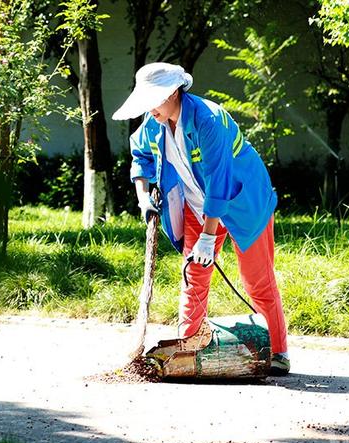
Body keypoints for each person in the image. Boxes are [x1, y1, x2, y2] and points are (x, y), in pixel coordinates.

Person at [112, 62, 290, 375]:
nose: (149, 108)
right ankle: (188, 345)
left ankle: (278, 352)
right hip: (195, 203)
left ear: (172, 93)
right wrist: (142, 196)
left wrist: (209, 238)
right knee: (194, 275)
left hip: (241, 200)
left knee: (257, 280)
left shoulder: (207, 120)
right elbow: (139, 153)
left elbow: (219, 181)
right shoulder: (155, 121)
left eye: (153, 100)